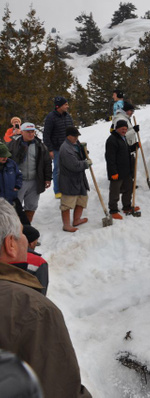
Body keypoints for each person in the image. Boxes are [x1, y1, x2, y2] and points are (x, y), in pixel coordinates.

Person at [0, 198, 92, 398]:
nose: (26, 240)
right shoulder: (33, 310)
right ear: (10, 244)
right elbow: (61, 391)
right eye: (21, 234)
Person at [7, 122, 52, 223]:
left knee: (31, 206)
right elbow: (6, 162)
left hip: (35, 181)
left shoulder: (40, 145)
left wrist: (48, 178)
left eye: (32, 132)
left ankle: (27, 227)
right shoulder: (13, 145)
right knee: (15, 207)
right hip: (18, 182)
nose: (31, 134)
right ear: (22, 132)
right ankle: (16, 229)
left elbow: (47, 162)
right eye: (28, 132)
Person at [58, 127, 91, 233]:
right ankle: (66, 225)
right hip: (69, 179)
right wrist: (86, 164)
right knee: (67, 203)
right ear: (68, 136)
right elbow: (74, 166)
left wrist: (84, 151)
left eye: (77, 136)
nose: (76, 138)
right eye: (74, 136)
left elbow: (79, 156)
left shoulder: (75, 144)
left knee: (82, 198)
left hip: (80, 178)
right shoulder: (65, 149)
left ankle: (77, 220)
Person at [105, 120, 138, 220]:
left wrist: (134, 147)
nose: (124, 130)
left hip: (126, 170)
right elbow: (110, 158)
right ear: (117, 128)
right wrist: (113, 172)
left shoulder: (123, 138)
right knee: (115, 191)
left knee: (128, 189)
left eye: (125, 128)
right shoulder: (112, 140)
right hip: (117, 171)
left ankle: (127, 206)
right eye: (122, 128)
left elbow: (125, 152)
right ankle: (113, 210)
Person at [43, 96, 74, 199]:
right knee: (58, 170)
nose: (67, 106)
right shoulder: (51, 117)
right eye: (65, 104)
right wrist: (50, 150)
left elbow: (73, 132)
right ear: (58, 106)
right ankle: (58, 191)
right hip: (57, 149)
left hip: (69, 147)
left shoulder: (68, 116)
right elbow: (46, 135)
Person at [22, 224, 49, 296]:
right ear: (31, 243)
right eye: (36, 241)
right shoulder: (39, 262)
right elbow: (41, 291)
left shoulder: (5, 255)